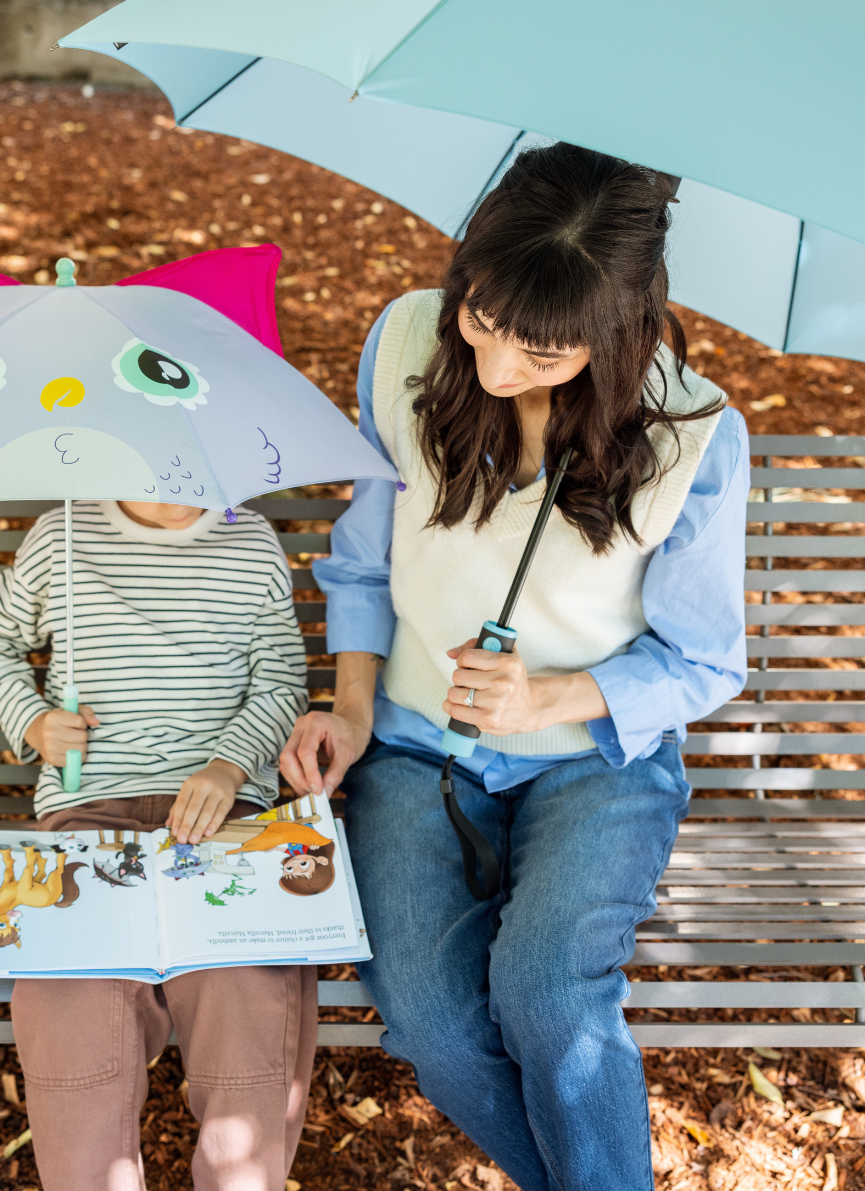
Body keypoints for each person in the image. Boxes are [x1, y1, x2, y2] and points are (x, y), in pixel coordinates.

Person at [280, 143, 749, 1191]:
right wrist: (352, 711)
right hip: (410, 749)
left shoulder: (694, 440)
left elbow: (706, 662)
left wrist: (552, 693)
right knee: (433, 1026)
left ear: (616, 330)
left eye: (543, 353)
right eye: (482, 320)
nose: (495, 369)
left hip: (594, 762)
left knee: (546, 995)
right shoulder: (406, 339)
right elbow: (362, 564)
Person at [0, 496, 311, 1191]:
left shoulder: (252, 540)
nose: (177, 492)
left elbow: (280, 681)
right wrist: (33, 720)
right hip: (90, 811)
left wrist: (228, 765)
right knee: (74, 1006)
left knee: (247, 997)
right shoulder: (62, 533)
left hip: (226, 815)